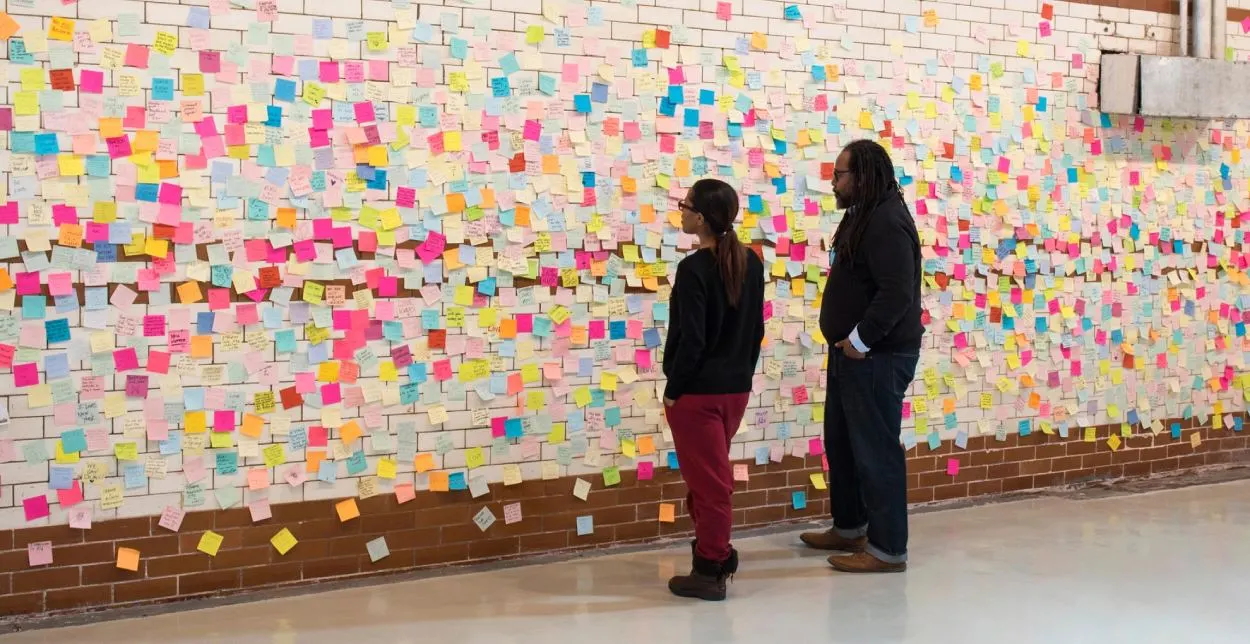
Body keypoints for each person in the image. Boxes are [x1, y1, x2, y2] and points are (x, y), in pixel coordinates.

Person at [801, 139, 924, 573]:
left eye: (839, 175)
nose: (833, 182)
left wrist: (860, 340)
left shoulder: (887, 221)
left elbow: (897, 293)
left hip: (877, 357)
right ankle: (850, 526)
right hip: (852, 354)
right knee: (842, 443)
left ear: (863, 177)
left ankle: (888, 549)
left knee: (875, 451)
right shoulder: (863, 215)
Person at [662, 178, 765, 601]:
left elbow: (693, 341)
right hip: (734, 391)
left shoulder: (693, 270)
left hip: (697, 395)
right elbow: (756, 330)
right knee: (708, 479)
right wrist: (741, 375)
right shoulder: (752, 263)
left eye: (685, 206)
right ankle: (713, 554)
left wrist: (674, 389)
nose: (681, 212)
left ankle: (711, 567)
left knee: (710, 484)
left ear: (700, 217)